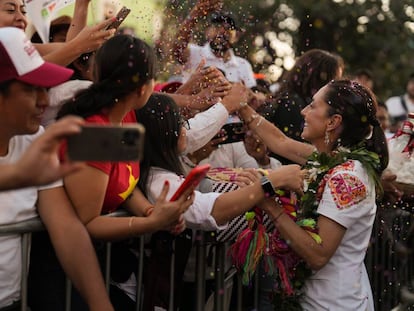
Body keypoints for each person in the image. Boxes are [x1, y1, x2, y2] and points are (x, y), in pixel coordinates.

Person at [52, 34, 195, 310]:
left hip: (103, 264)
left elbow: (125, 186)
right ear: (143, 87)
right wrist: (151, 224)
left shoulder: (125, 115)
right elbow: (88, 223)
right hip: (70, 274)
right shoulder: (95, 132)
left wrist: (152, 212)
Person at [135, 92, 304, 310]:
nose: (188, 128)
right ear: (164, 133)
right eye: (180, 122)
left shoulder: (159, 164)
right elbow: (211, 210)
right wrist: (271, 182)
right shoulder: (157, 181)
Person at [238, 79, 388, 310]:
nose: (303, 111)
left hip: (332, 303)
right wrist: (242, 107)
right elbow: (281, 143)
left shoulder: (346, 178)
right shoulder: (333, 159)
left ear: (333, 122)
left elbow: (318, 255)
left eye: (312, 106)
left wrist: (269, 203)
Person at [0, 26, 114, 311]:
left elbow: (66, 228)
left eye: (45, 87)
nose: (45, 100)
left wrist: (101, 305)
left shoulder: (34, 139)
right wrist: (17, 175)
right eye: (31, 89)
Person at [259, 48, 344, 164]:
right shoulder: (292, 104)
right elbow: (291, 148)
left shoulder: (289, 99)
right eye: (334, 80)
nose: (335, 88)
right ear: (320, 78)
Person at [0, 0, 115, 66]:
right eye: (10, 10)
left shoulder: (21, 49)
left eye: (24, 11)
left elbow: (68, 49)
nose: (22, 18)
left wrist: (82, 4)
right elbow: (36, 71)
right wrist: (79, 46)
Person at [172, 0, 257, 89]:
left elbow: (251, 97)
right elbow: (177, 48)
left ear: (237, 36)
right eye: (217, 26)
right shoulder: (194, 54)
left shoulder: (243, 65)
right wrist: (194, 14)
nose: (221, 31)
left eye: (228, 28)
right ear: (207, 31)